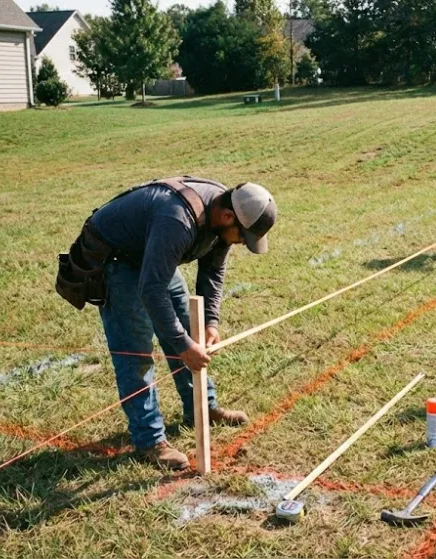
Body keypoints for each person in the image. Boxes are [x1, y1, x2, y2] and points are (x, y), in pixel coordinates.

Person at [63, 176, 276, 470]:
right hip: (117, 260)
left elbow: (212, 272)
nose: (241, 243)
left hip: (152, 251)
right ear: (228, 217)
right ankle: (150, 441)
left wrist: (210, 322)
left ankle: (203, 408)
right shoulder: (177, 220)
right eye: (243, 237)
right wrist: (182, 345)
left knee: (192, 328)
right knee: (135, 353)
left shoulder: (223, 214)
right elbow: (151, 290)